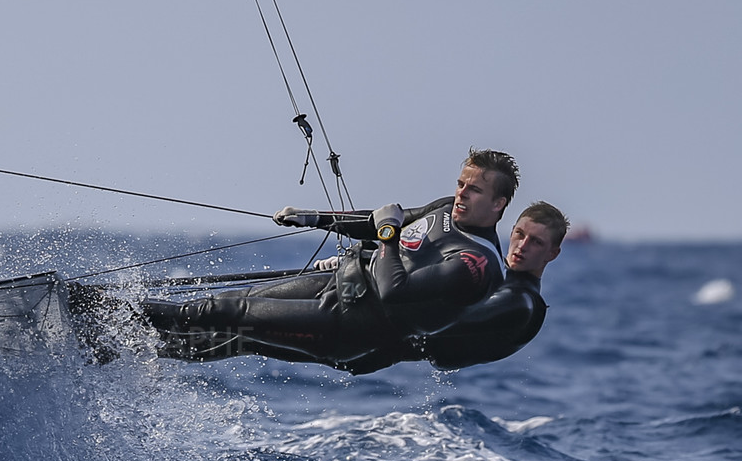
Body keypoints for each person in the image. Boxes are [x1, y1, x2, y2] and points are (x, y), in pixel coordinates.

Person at [144, 148, 517, 367]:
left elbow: (394, 290)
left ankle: (101, 309)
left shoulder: (476, 264)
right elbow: (378, 224)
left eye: (476, 190)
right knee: (231, 315)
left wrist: (386, 235)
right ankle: (127, 347)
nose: (462, 194)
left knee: (228, 314)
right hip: (341, 287)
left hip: (349, 326)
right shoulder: (444, 209)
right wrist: (316, 218)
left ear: (498, 204)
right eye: (461, 184)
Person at [339, 200, 566, 374]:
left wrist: (369, 265)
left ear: (553, 253)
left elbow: (446, 318)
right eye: (520, 234)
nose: (522, 246)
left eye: (536, 242)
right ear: (513, 229)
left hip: (376, 344)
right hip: (376, 331)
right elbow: (390, 221)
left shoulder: (521, 302)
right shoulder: (487, 258)